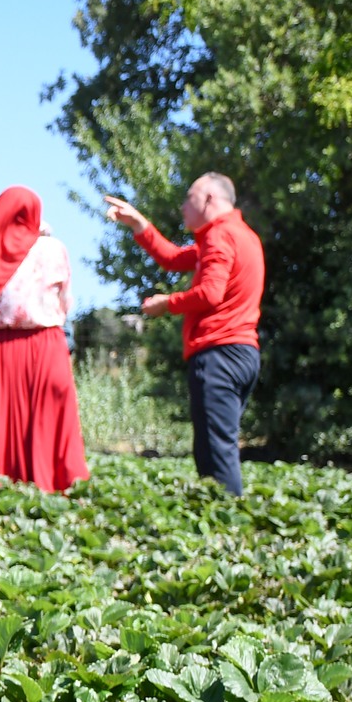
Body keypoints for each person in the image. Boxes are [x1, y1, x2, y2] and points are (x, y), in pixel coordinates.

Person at [106, 175, 265, 496]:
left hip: (219, 355)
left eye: (188, 197)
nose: (182, 205)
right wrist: (139, 224)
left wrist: (166, 304)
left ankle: (228, 527)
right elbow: (174, 259)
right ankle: (223, 524)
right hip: (243, 352)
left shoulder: (220, 236)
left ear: (209, 199)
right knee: (218, 445)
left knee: (216, 453)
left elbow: (210, 292)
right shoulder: (239, 236)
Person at [0, 187, 89, 493]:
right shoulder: (54, 249)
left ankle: (3, 492)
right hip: (46, 345)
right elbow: (66, 304)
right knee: (48, 422)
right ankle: (54, 491)